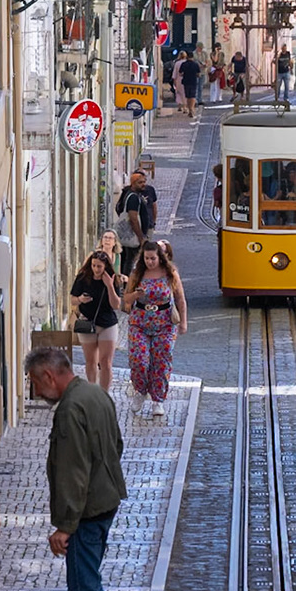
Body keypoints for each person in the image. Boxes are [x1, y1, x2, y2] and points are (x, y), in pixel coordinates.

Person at [28, 347, 128, 591]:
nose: (36, 391)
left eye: (35, 383)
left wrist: (64, 527)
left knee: (84, 585)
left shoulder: (70, 409)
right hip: (106, 500)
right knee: (89, 580)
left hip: (87, 511)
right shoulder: (96, 394)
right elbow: (117, 446)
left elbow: (72, 471)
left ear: (49, 375)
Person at [123, 241, 187, 415]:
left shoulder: (170, 273)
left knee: (161, 362)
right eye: (147, 258)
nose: (150, 262)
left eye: (153, 258)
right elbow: (126, 299)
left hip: (165, 323)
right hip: (140, 323)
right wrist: (136, 294)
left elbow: (180, 298)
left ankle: (158, 400)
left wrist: (183, 322)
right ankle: (141, 391)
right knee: (139, 360)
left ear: (160, 257)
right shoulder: (137, 273)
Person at [71, 250, 124, 391]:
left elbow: (116, 305)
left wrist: (110, 286)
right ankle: (93, 390)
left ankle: (104, 394)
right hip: (87, 323)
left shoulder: (113, 279)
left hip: (107, 324)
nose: (96, 269)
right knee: (90, 361)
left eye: (99, 266)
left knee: (106, 362)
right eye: (94, 265)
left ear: (105, 266)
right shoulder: (83, 277)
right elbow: (72, 299)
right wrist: (80, 299)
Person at [114, 169, 158, 276]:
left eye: (144, 182)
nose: (143, 185)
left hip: (134, 234)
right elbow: (133, 218)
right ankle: (127, 283)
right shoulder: (133, 197)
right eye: (140, 183)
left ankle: (126, 282)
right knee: (132, 260)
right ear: (133, 183)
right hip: (133, 235)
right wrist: (140, 237)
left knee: (128, 258)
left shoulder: (133, 195)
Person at [178, 50, 203, 117]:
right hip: (193, 81)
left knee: (188, 96)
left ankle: (190, 109)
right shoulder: (195, 64)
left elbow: (180, 73)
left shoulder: (184, 64)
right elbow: (199, 74)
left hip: (186, 82)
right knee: (193, 96)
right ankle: (192, 109)